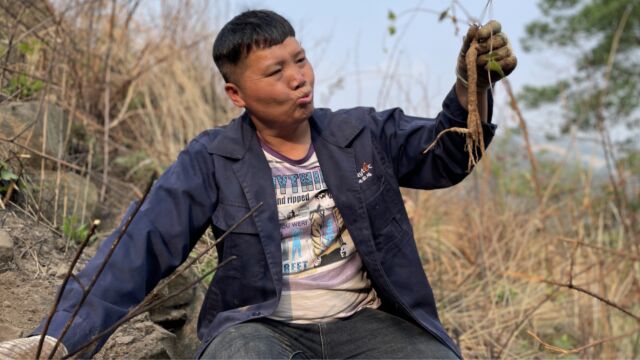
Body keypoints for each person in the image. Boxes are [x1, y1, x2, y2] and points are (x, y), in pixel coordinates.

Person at [0, 9, 516, 359]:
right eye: (275, 71)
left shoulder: (359, 134)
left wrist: (472, 89)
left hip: (364, 322)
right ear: (236, 93)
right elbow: (139, 248)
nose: (299, 78)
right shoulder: (212, 159)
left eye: (300, 59)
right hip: (262, 326)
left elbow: (445, 158)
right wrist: (59, 337)